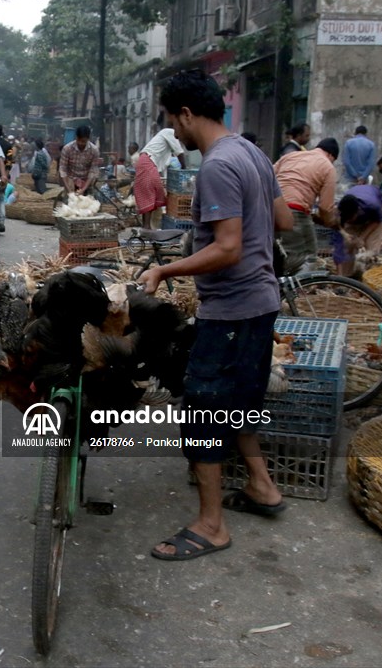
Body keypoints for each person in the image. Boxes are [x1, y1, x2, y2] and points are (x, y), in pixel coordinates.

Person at [138, 69, 286, 562]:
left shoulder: (218, 165)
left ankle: (211, 525)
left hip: (232, 309)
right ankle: (263, 487)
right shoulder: (253, 153)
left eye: (171, 121)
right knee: (238, 402)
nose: (173, 132)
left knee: (203, 409)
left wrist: (166, 271)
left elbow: (226, 248)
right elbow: (283, 219)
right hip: (262, 303)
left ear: (185, 113)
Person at [273, 138, 340, 275]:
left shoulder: (290, 156)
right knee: (308, 258)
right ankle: (296, 293)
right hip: (295, 211)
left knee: (276, 255)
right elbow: (326, 208)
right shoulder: (327, 166)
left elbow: (267, 176)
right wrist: (331, 222)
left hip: (269, 208)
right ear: (331, 156)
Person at [133, 127, 185, 228]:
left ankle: (146, 226)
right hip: (147, 162)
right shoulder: (171, 133)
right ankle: (147, 226)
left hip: (146, 162)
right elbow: (180, 153)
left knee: (153, 192)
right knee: (149, 192)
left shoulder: (165, 137)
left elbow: (164, 163)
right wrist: (184, 168)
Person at [334, 185, 382, 279]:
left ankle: (370, 278)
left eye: (350, 218)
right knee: (347, 245)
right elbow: (338, 249)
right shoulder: (339, 211)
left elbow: (377, 221)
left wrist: (362, 237)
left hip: (374, 219)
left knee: (371, 249)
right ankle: (346, 278)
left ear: (357, 212)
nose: (349, 220)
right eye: (347, 218)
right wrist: (339, 276)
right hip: (358, 210)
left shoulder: (372, 206)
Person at [58, 125, 101, 199]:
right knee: (69, 203)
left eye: (83, 141)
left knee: (90, 203)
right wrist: (69, 190)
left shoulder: (94, 150)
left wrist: (83, 189)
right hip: (71, 178)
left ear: (88, 139)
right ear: (76, 137)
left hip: (86, 179)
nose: (80, 143)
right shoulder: (67, 149)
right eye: (78, 140)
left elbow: (92, 171)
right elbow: (63, 169)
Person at [342, 125, 376, 190]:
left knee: (350, 198)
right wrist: (363, 177)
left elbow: (347, 162)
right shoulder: (371, 145)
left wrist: (355, 175)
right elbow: (371, 164)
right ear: (366, 134)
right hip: (364, 180)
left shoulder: (348, 143)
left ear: (355, 133)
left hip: (350, 178)